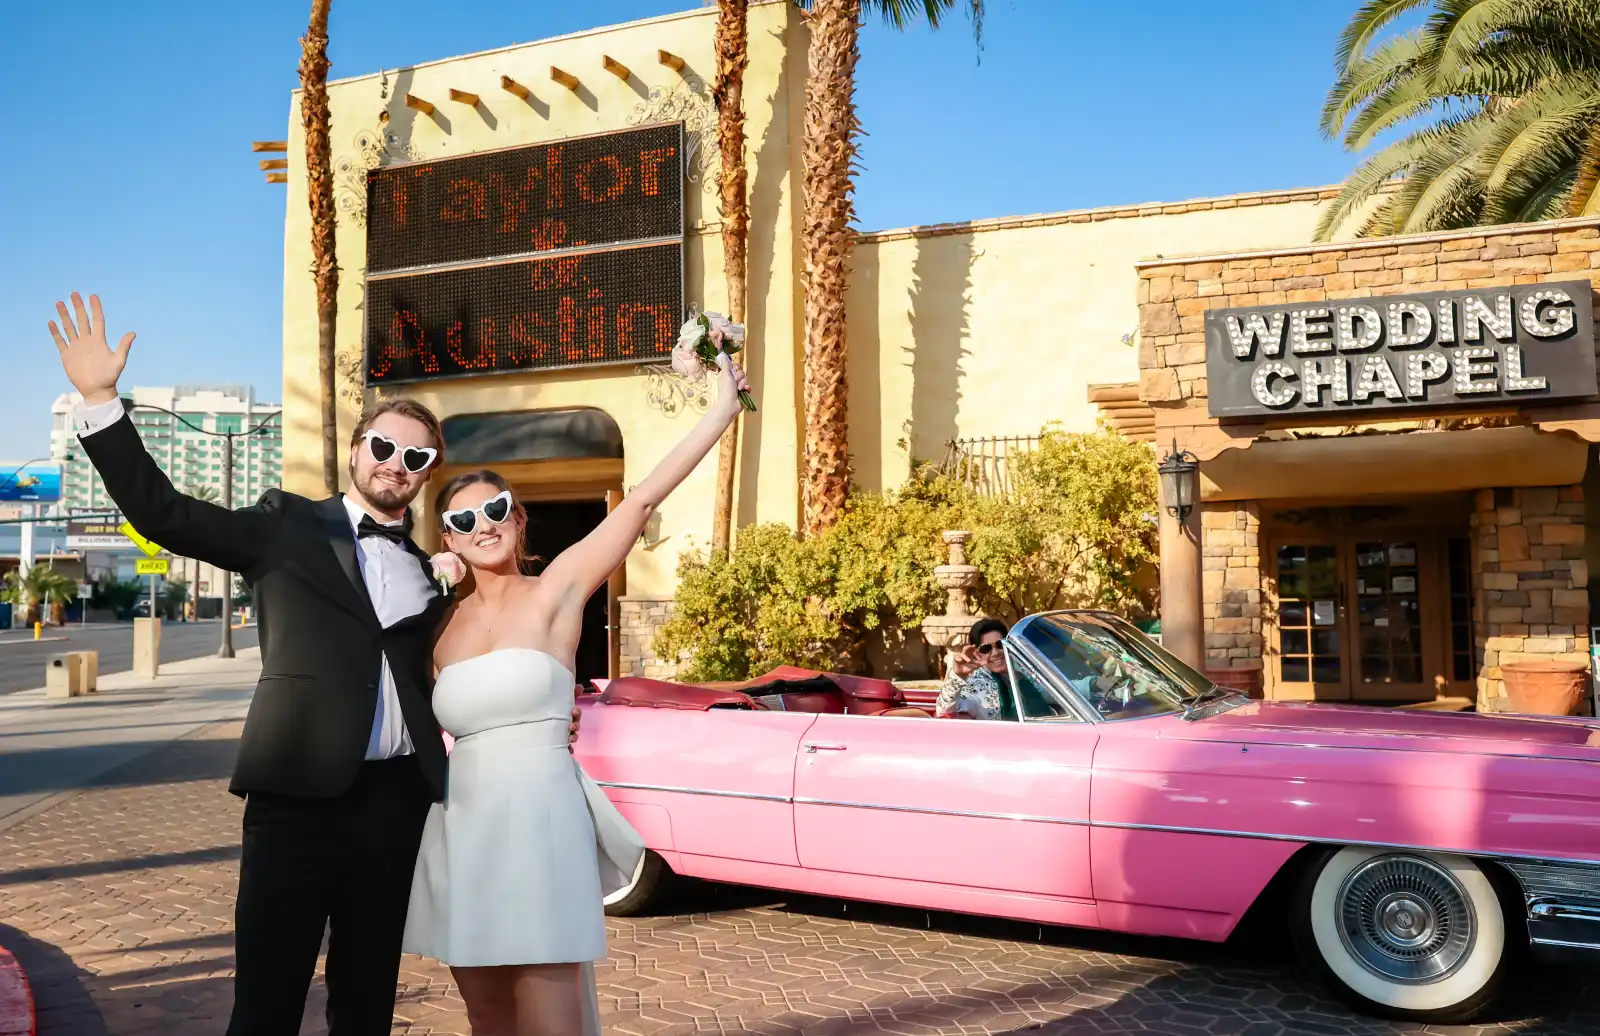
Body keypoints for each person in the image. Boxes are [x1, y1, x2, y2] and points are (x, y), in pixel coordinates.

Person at [45, 292, 581, 1036]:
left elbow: (475, 663)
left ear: (427, 473)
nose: (396, 464)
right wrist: (103, 402)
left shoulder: (433, 571)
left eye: (415, 457)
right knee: (266, 1007)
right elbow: (165, 515)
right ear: (359, 448)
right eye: (385, 448)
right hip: (294, 806)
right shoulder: (284, 526)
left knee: (365, 1008)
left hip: (398, 809)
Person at [401, 353, 752, 1036]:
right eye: (464, 519)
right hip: (460, 826)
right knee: (486, 1015)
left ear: (519, 516)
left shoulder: (557, 590)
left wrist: (720, 410)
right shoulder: (436, 624)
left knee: (547, 1016)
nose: (484, 526)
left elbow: (644, 497)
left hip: (540, 819)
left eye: (496, 509)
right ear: (447, 537)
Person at [936, 617, 1011, 719]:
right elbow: (943, 712)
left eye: (1000, 644)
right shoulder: (974, 686)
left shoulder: (1028, 671)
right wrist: (957, 676)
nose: (996, 653)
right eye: (986, 648)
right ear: (976, 652)